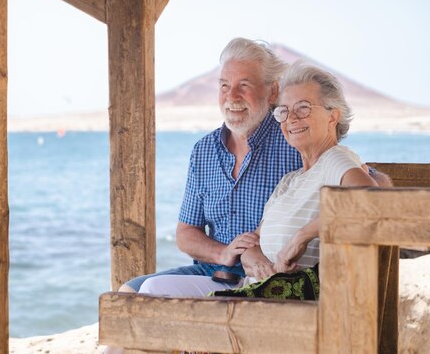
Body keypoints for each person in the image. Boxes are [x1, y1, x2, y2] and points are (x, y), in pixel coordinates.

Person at [118, 38, 390, 295]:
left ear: (272, 91)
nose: (232, 96)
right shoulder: (205, 151)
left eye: (244, 85)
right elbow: (187, 233)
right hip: (214, 270)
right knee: (127, 294)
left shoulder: (293, 138)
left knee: (150, 296)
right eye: (224, 86)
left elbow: (369, 189)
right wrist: (227, 252)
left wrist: (372, 178)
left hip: (267, 280)